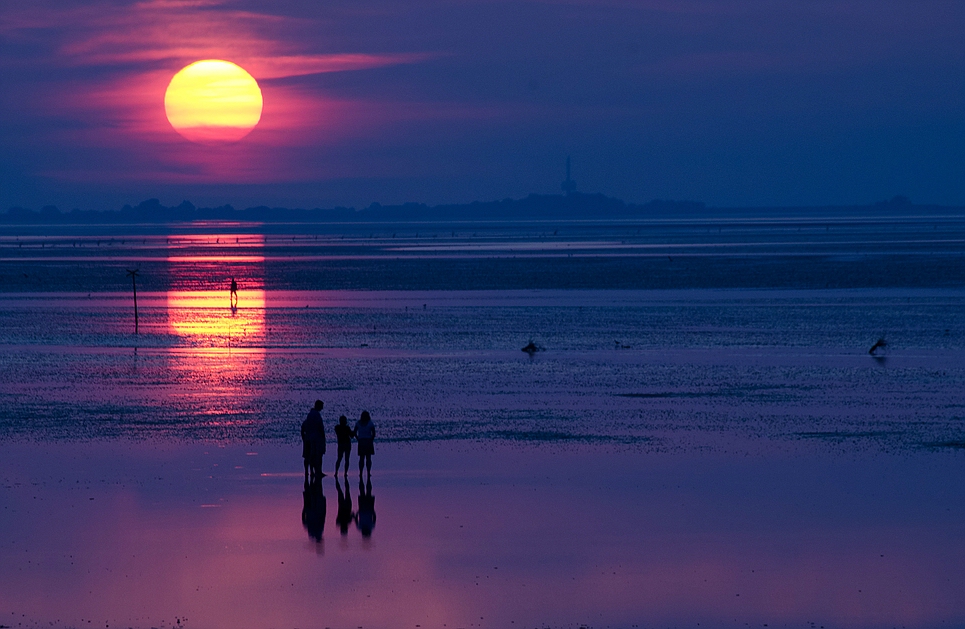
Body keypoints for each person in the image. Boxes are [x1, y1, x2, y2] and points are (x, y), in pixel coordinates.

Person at [300, 400, 326, 482]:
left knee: (311, 455)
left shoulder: (310, 415)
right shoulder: (316, 415)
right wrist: (323, 436)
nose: (322, 407)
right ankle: (316, 471)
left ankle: (312, 471)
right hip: (315, 438)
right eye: (321, 406)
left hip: (310, 438)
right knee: (316, 455)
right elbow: (319, 427)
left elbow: (303, 428)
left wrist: (304, 437)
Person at [354, 410, 376, 477]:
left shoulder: (358, 423)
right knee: (368, 458)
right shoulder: (370, 423)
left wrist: (358, 439)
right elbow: (374, 433)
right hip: (368, 441)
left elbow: (354, 432)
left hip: (361, 441)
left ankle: (360, 472)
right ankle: (368, 472)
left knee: (361, 458)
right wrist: (371, 439)